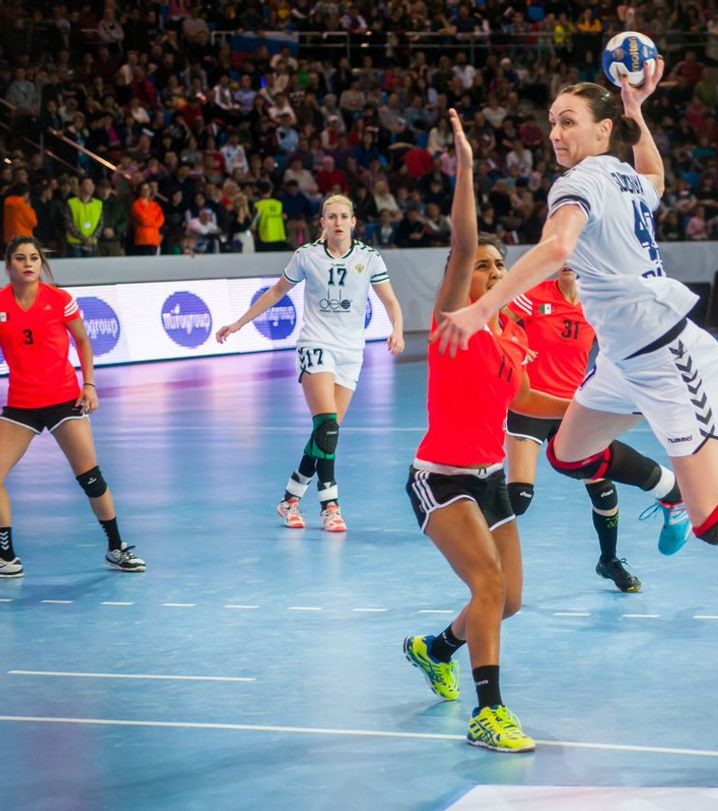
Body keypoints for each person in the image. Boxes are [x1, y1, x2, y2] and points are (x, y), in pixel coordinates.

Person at [433, 65, 718, 595]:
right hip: (621, 361)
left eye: (568, 122)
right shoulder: (622, 178)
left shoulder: (578, 182)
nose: (556, 133)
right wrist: (636, 109)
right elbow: (654, 175)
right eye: (552, 123)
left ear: (602, 131)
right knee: (566, 453)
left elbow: (557, 248)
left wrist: (479, 310)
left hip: (671, 360)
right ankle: (668, 491)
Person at [401, 110, 570, 754]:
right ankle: (488, 714)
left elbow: (526, 397)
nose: (495, 273)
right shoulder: (453, 323)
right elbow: (464, 243)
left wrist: (601, 408)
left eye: (502, 268)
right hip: (439, 479)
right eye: (485, 266)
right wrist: (466, 171)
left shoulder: (509, 336)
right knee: (488, 585)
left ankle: (433, 648)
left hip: (489, 476)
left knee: (511, 600)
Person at [216, 194, 405, 532]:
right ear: (322, 222)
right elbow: (276, 292)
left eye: (343, 216)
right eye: (330, 216)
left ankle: (289, 499)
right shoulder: (306, 256)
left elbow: (389, 299)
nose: (336, 222)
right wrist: (238, 324)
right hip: (316, 344)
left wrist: (398, 329)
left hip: (351, 351)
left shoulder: (369, 258)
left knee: (325, 435)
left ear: (353, 221)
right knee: (328, 427)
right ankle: (330, 506)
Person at [0, 236, 146, 578]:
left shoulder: (59, 299)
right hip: (21, 404)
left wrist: (89, 384)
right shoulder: (1, 304)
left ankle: (116, 548)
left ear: (41, 262)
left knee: (91, 479)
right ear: (9, 266)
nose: (28, 263)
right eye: (20, 258)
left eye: (34, 257)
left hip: (66, 399)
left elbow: (82, 339)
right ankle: (5, 555)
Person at [504, 267, 641, 593]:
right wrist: (517, 348)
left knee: (603, 488)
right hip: (531, 405)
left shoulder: (595, 304)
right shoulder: (534, 294)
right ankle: (483, 554)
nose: (571, 260)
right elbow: (498, 323)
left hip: (573, 409)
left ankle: (609, 560)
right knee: (519, 497)